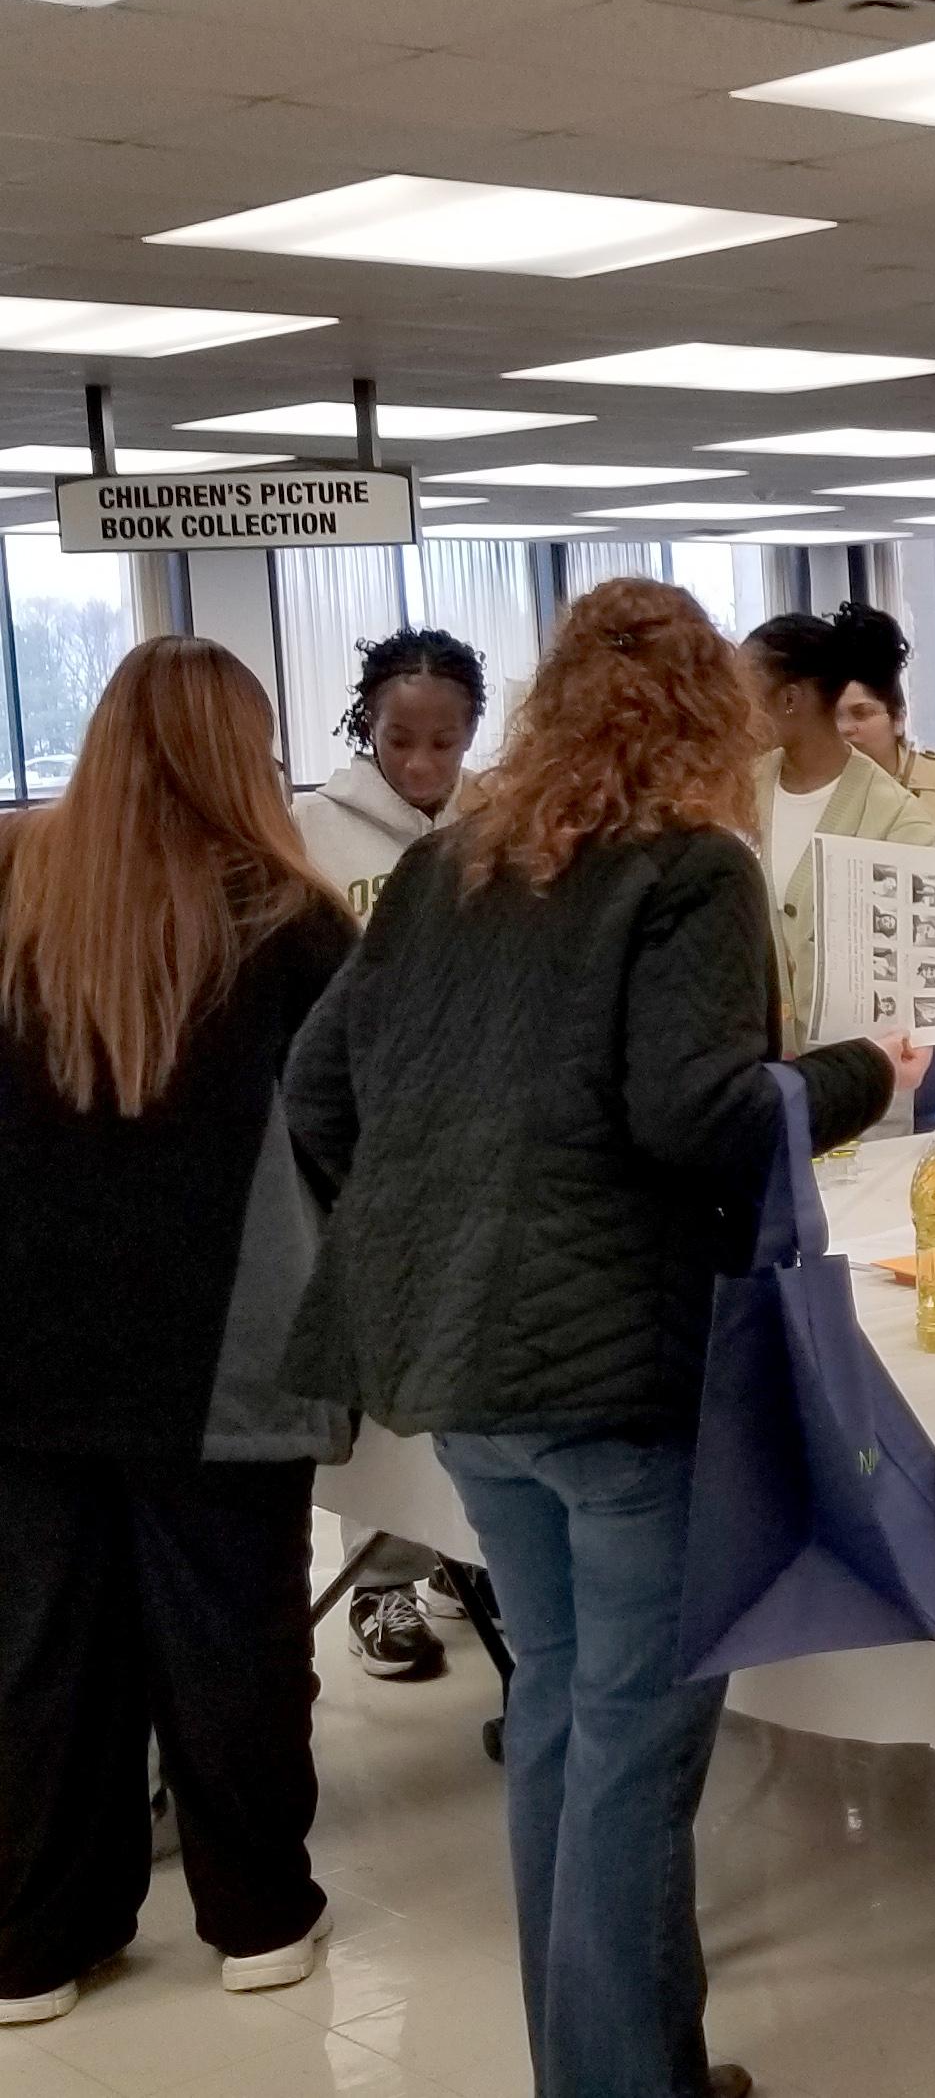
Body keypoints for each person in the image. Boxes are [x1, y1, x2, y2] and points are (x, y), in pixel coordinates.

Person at [282, 578, 927, 2098]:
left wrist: (438, 1212)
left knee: (567, 1720)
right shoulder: (690, 871)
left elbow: (318, 1095)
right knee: (632, 1746)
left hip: (456, 1359)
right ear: (712, 720)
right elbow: (695, 1115)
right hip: (619, 1373)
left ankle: (610, 2061)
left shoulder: (447, 870)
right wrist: (858, 1075)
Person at [0, 639, 355, 2024]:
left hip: (21, 1346)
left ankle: (35, 1943)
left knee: (37, 1650)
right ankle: (258, 1916)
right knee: (233, 1637)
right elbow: (349, 1132)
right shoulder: (294, 923)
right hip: (227, 1348)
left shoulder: (14, 896)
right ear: (242, 753)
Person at [295, 626, 488, 1685]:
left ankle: (470, 1554)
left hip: (476, 1130)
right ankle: (380, 1583)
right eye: (398, 739)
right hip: (366, 1137)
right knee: (385, 1387)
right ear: (365, 727)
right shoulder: (311, 833)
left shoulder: (500, 830)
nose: (419, 765)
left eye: (442, 744)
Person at [744, 610, 935, 1046]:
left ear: (789, 700)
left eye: (744, 695)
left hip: (862, 1083)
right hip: (759, 1081)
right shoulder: (735, 793)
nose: (732, 712)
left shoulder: (895, 818)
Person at [827, 601, 935, 833]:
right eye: (835, 716)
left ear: (898, 718)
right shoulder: (820, 791)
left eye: (861, 713)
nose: (845, 728)